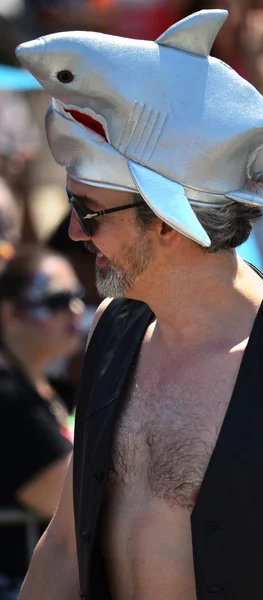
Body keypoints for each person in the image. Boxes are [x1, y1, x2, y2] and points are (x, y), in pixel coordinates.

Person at [16, 9, 263, 600]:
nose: (72, 232)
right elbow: (67, 544)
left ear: (170, 222)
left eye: (90, 211)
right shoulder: (113, 334)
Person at [0, 245, 85, 597]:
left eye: (77, 295)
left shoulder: (45, 388)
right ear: (9, 314)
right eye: (55, 300)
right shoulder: (7, 399)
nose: (76, 310)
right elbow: (77, 504)